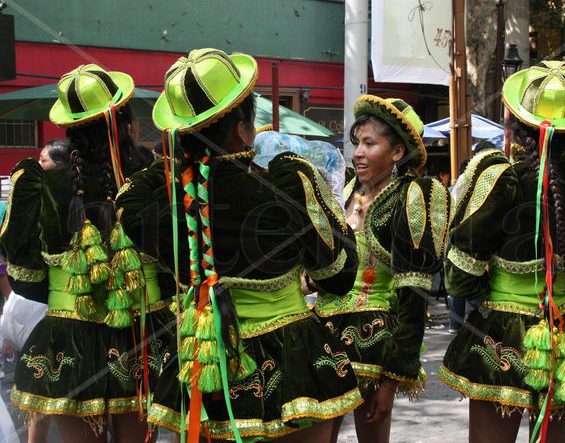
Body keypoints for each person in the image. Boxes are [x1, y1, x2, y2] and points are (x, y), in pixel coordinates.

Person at [125, 48, 362, 442]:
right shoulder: (288, 185)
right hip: (294, 360)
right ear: (241, 128)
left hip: (209, 360)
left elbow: (129, 202)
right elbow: (338, 276)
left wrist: (176, 158)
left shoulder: (164, 211)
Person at [438, 61, 565, 443]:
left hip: (500, 336)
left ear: (516, 124)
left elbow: (459, 278)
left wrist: (493, 294)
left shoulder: (502, 180)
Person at [0, 64, 169, 443]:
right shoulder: (156, 178)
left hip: (68, 341)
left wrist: (71, 294)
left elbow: (23, 274)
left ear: (70, 130)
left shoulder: (38, 183)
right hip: (142, 337)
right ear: (126, 123)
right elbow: (174, 267)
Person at [314, 95, 450, 443]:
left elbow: (413, 292)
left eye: (370, 143)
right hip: (322, 333)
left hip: (373, 342)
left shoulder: (411, 197)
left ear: (397, 153)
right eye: (357, 142)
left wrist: (392, 379)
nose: (358, 152)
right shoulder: (345, 190)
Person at [1, 138, 70, 443]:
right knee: (41, 403)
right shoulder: (40, 204)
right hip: (43, 313)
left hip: (63, 319)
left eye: (45, 161)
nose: (39, 166)